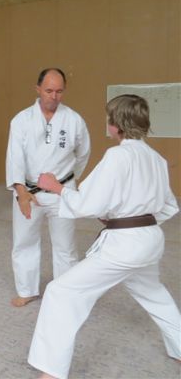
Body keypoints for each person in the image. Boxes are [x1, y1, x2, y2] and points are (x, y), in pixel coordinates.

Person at [27, 94, 181, 379]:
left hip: (125, 246)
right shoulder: (157, 159)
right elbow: (169, 206)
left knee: (61, 292)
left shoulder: (117, 156)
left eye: (109, 118)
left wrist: (56, 187)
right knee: (154, 294)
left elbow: (87, 203)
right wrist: (125, 218)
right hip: (149, 239)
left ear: (116, 124)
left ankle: (51, 371)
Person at [6, 68, 90, 307]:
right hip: (28, 192)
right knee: (24, 242)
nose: (54, 96)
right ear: (38, 89)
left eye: (59, 91)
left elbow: (83, 154)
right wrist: (21, 191)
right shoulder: (22, 120)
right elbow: (14, 157)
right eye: (49, 90)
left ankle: (65, 292)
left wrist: (68, 181)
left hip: (61, 191)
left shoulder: (74, 120)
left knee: (65, 246)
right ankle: (27, 290)